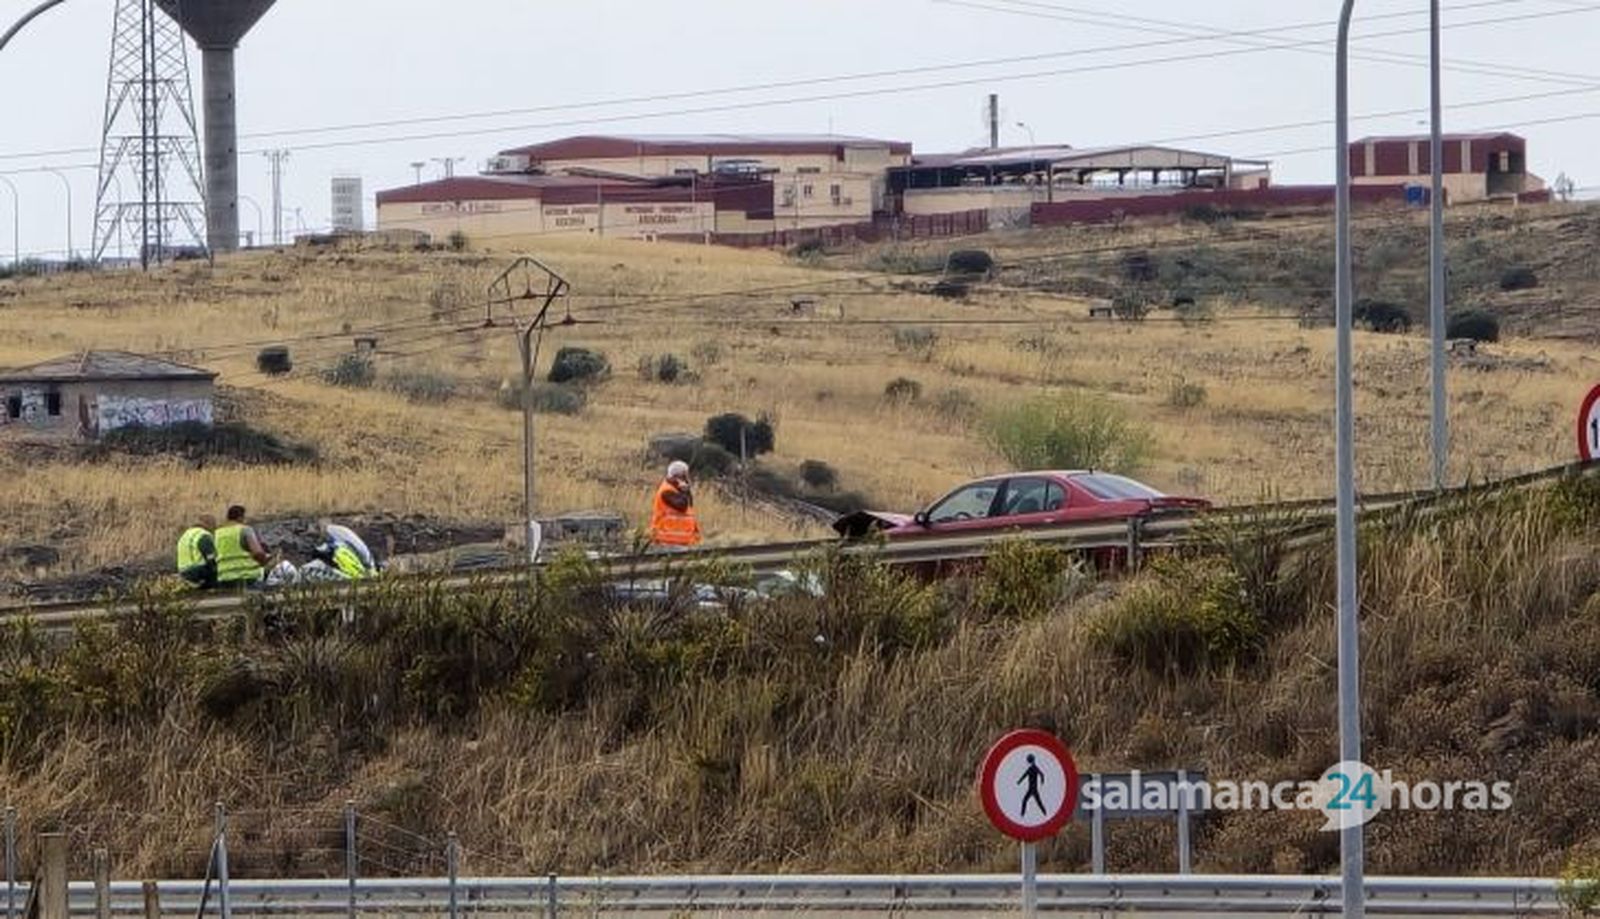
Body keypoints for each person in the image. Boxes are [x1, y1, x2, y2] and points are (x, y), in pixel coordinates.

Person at [214, 505, 271, 587]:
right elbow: (258, 553)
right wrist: (264, 561)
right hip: (246, 578)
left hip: (224, 578)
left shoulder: (217, 533)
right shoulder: (245, 530)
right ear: (240, 517)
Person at [649, 460, 702, 548]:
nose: (687, 479)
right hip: (667, 540)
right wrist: (684, 491)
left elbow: (690, 504)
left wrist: (686, 490)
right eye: (685, 476)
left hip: (679, 540)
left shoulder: (676, 489)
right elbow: (682, 506)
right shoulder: (667, 491)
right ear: (678, 476)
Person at [176, 514, 218, 589]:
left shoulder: (186, 534)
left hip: (183, 572)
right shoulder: (204, 535)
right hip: (197, 571)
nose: (214, 529)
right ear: (209, 524)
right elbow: (211, 560)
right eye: (213, 525)